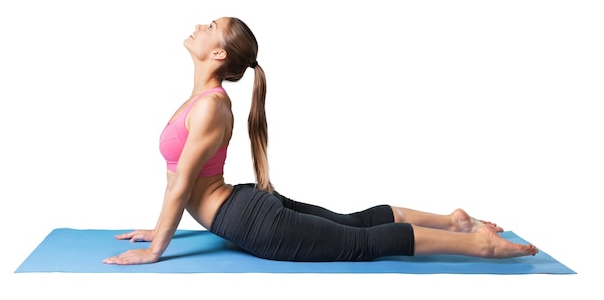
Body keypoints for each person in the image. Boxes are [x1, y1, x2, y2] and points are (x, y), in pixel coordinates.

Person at [103, 17, 538, 265]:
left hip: (249, 220)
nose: (200, 25)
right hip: (245, 207)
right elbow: (177, 176)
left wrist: (157, 249)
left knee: (359, 244)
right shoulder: (200, 100)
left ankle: (476, 244)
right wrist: (157, 227)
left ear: (218, 54)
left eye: (210, 25)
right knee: (352, 223)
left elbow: (182, 185)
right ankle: (453, 220)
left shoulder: (210, 107)